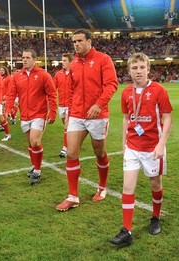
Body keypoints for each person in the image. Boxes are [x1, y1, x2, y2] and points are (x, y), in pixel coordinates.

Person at [109, 52, 173, 246]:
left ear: (148, 69)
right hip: (132, 147)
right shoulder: (126, 92)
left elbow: (168, 117)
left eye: (142, 67)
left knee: (155, 184)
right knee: (127, 187)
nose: (138, 71)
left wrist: (162, 144)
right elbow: (127, 118)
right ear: (129, 71)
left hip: (152, 147)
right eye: (134, 68)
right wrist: (123, 142)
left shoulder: (159, 90)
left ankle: (155, 217)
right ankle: (126, 230)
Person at [56, 29, 118, 211]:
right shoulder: (73, 64)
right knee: (71, 153)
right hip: (76, 115)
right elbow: (71, 91)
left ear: (89, 41)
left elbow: (111, 85)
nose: (76, 44)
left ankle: (102, 186)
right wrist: (69, 113)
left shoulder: (103, 59)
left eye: (80, 41)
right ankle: (73, 196)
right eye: (74, 41)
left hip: (97, 116)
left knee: (99, 153)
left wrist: (98, 105)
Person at [5, 49, 57, 185]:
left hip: (39, 114)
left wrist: (52, 112)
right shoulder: (17, 76)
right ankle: (34, 165)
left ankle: (37, 171)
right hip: (24, 115)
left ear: (35, 59)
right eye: (23, 57)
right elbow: (11, 94)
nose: (24, 60)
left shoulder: (44, 75)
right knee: (30, 144)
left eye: (28, 57)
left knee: (35, 142)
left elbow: (52, 94)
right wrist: (8, 108)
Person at [53, 53, 74, 158]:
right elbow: (53, 88)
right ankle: (73, 141)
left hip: (72, 105)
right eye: (62, 60)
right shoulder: (58, 74)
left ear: (71, 62)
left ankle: (65, 149)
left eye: (65, 60)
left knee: (67, 125)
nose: (63, 62)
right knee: (67, 127)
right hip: (61, 104)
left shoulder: (75, 73)